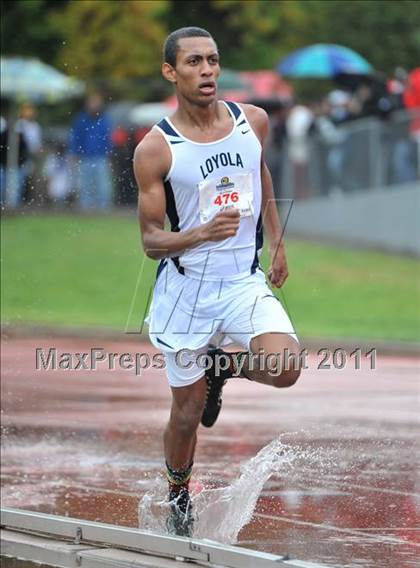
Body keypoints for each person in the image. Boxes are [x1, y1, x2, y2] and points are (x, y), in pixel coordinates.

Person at [133, 27, 302, 537]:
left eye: (212, 60)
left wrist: (276, 239)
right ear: (171, 71)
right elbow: (150, 241)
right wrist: (200, 233)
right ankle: (178, 495)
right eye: (193, 62)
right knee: (185, 415)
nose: (207, 70)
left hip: (241, 281)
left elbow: (260, 173)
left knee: (285, 367)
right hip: (186, 291)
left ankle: (222, 367)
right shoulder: (156, 149)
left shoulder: (252, 121)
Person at [69, 93, 113, 210]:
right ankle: (86, 209)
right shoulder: (81, 120)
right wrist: (74, 154)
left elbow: (108, 139)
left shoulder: (105, 120)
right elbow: (76, 138)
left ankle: (104, 208)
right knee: (85, 185)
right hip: (85, 157)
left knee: (103, 185)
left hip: (101, 157)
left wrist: (109, 155)